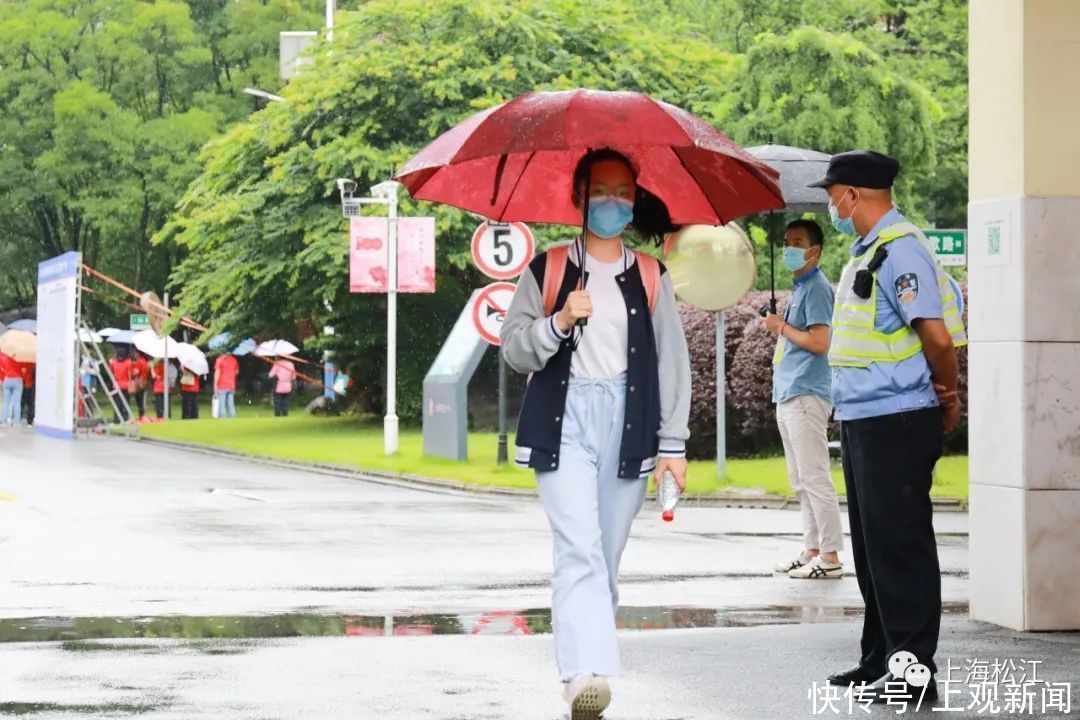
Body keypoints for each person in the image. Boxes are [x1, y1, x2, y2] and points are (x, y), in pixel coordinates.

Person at [501, 148, 691, 718]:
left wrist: (673, 445)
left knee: (605, 555)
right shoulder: (550, 268)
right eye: (601, 191)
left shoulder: (652, 274)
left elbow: (671, 363)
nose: (613, 202)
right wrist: (558, 323)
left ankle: (586, 657)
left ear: (634, 202)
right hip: (564, 423)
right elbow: (513, 348)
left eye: (623, 192)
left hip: (628, 425)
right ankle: (584, 674)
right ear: (579, 197)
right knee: (578, 548)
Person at [809, 151, 966, 702]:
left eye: (833, 196)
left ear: (853, 195)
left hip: (897, 418)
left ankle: (913, 675)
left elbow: (938, 338)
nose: (831, 206)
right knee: (874, 550)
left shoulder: (901, 252)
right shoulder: (867, 253)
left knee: (900, 548)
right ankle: (878, 658)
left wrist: (948, 396)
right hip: (863, 420)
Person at [764, 219, 844, 580]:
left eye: (797, 242)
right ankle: (812, 549)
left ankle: (830, 556)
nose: (789, 249)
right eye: (786, 242)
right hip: (789, 392)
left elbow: (819, 342)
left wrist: (780, 327)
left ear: (815, 250)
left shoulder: (816, 288)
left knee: (814, 477)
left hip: (807, 393)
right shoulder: (800, 287)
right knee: (800, 479)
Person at [107, 348, 132, 423]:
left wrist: (110, 362)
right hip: (125, 385)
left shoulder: (113, 363)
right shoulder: (128, 362)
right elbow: (129, 375)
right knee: (125, 402)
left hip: (116, 385)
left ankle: (117, 419)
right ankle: (125, 418)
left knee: (117, 403)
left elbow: (110, 372)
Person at [0, 350, 24, 427]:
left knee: (6, 402)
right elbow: (23, 369)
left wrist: (2, 378)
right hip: (17, 380)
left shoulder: (4, 356)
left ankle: (3, 421)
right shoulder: (20, 357)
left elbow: (1, 369)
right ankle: (16, 422)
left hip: (7, 379)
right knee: (17, 403)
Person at [214, 351, 240, 419]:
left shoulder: (219, 360)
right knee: (231, 404)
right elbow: (237, 372)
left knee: (222, 404)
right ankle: (233, 418)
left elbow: (217, 372)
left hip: (222, 384)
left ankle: (222, 419)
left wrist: (215, 384)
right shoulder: (234, 360)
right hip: (231, 385)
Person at [131, 352, 150, 421]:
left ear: (138, 353)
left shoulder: (139, 361)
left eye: (135, 353)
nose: (134, 354)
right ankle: (142, 416)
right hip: (144, 382)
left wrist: (130, 373)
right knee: (142, 401)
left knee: (139, 401)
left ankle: (141, 417)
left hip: (139, 383)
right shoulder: (145, 361)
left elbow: (136, 372)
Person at [19, 360, 35, 426]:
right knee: (31, 403)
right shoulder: (33, 364)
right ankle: (30, 421)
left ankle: (20, 418)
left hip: (25, 384)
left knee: (23, 402)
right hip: (31, 384)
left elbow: (22, 373)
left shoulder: (23, 363)